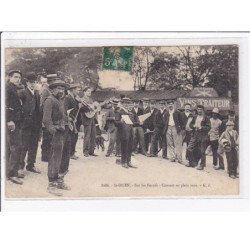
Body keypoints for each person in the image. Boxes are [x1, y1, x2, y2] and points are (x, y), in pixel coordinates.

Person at [43, 78, 71, 196]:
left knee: (65, 157)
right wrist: (52, 131)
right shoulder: (49, 100)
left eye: (63, 88)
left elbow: (63, 115)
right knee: (55, 158)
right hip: (56, 133)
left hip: (65, 132)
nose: (61, 90)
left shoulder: (61, 101)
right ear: (53, 89)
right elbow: (46, 119)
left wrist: (68, 121)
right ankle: (52, 184)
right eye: (58, 88)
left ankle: (60, 180)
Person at [19, 72, 42, 175]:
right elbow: (19, 109)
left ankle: (31, 165)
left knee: (34, 145)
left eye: (34, 82)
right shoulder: (22, 93)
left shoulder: (37, 93)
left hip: (35, 124)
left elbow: (38, 109)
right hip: (25, 124)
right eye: (30, 82)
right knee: (23, 145)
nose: (32, 84)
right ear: (27, 82)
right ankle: (20, 167)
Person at [6, 70, 24, 184]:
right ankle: (13, 174)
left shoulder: (13, 88)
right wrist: (9, 120)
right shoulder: (8, 88)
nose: (18, 79)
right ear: (9, 77)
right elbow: (5, 106)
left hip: (15, 121)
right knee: (16, 146)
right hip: (12, 122)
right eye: (16, 77)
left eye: (19, 77)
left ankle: (9, 171)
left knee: (10, 146)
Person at [186, 105, 211, 170]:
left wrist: (201, 127)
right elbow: (190, 124)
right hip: (195, 134)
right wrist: (193, 126)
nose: (199, 111)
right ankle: (192, 162)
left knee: (202, 151)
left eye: (200, 109)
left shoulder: (206, 118)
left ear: (203, 110)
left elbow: (209, 127)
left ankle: (202, 165)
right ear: (197, 110)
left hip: (203, 135)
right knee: (189, 148)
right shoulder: (195, 117)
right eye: (198, 109)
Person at [40, 74, 57, 162]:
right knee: (46, 138)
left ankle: (48, 155)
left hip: (51, 117)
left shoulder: (50, 90)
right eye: (54, 80)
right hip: (46, 117)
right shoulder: (46, 90)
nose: (55, 82)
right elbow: (42, 104)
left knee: (50, 137)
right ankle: (45, 156)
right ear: (50, 81)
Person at [115, 97, 136, 168]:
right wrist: (120, 121)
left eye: (128, 103)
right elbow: (116, 122)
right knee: (124, 147)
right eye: (125, 103)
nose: (127, 104)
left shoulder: (130, 112)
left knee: (130, 147)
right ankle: (123, 162)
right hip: (123, 132)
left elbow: (133, 122)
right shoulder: (119, 112)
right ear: (122, 104)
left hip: (130, 132)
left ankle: (129, 161)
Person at [64, 83, 81, 160]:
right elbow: (65, 110)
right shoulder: (67, 98)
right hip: (70, 121)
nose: (78, 92)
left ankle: (72, 153)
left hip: (74, 120)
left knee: (74, 137)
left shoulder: (74, 98)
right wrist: (69, 118)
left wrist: (80, 106)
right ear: (73, 90)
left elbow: (76, 109)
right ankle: (69, 154)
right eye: (77, 90)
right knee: (70, 138)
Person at [79, 87, 98, 157]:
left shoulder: (91, 100)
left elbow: (94, 109)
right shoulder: (82, 99)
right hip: (86, 119)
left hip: (92, 119)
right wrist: (89, 108)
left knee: (93, 135)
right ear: (84, 92)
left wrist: (96, 108)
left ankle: (91, 151)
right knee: (87, 135)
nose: (89, 92)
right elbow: (81, 109)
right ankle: (85, 151)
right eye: (88, 91)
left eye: (90, 91)